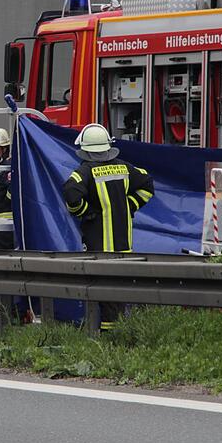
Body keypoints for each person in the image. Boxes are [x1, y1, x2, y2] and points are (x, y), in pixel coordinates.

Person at [63, 123, 154, 329]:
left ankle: (108, 338)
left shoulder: (84, 171)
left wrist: (85, 212)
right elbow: (147, 184)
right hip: (124, 248)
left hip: (99, 249)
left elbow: (71, 193)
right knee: (116, 297)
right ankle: (115, 335)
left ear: (85, 150)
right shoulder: (125, 168)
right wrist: (130, 205)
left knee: (103, 298)